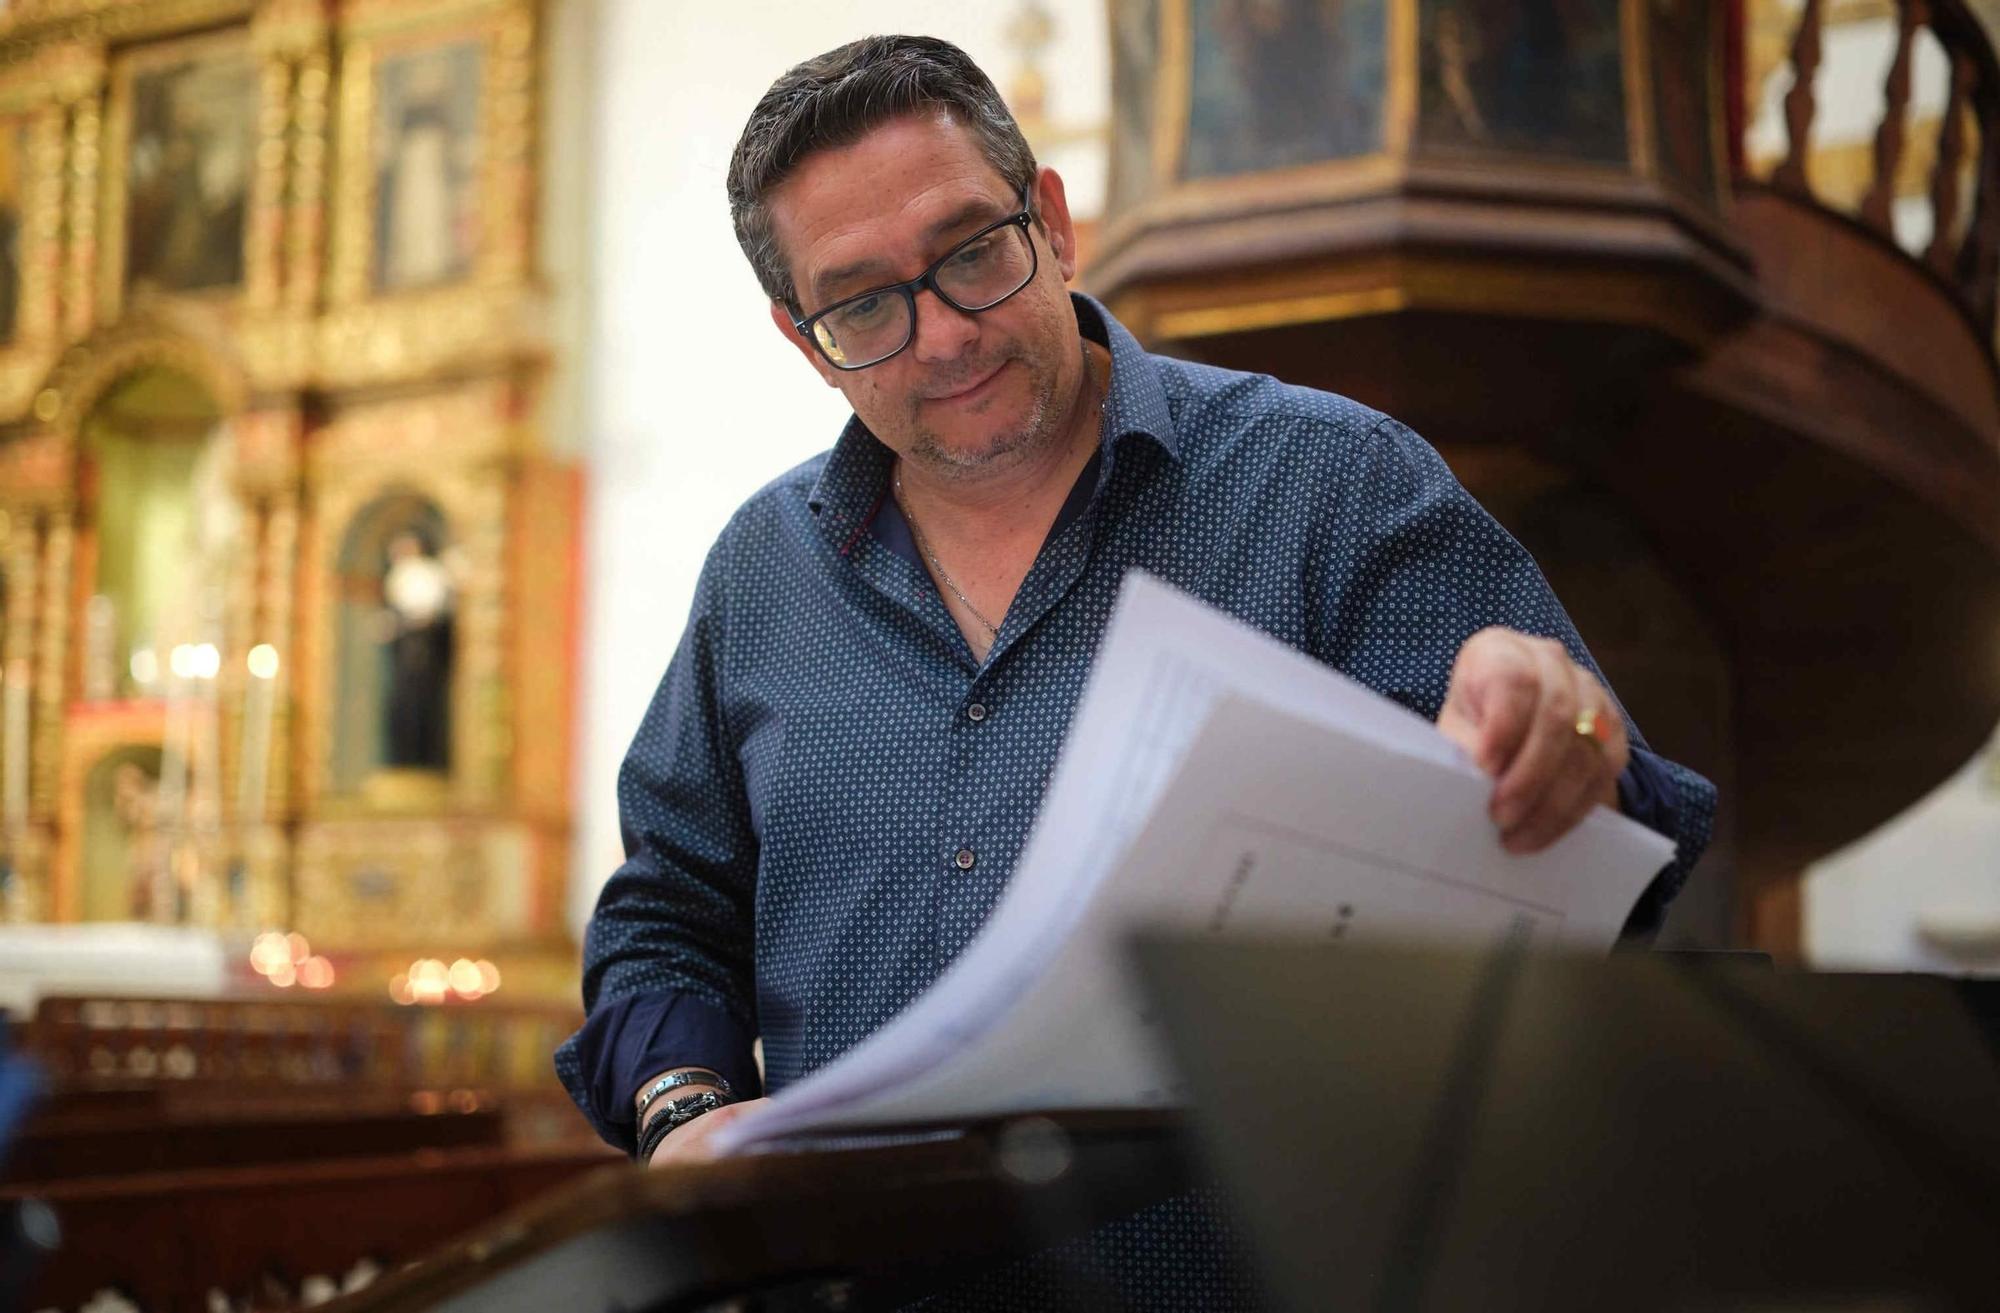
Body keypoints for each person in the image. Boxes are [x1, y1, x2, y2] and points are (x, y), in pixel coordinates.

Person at [558, 34, 1715, 1308]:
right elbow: (667, 911)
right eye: (865, 305)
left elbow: (1600, 851)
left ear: (1050, 221)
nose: (942, 335)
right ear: (801, 335)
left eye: (971, 253)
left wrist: (1571, 726)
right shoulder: (761, 572)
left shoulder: (1331, 484)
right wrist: (682, 1111)